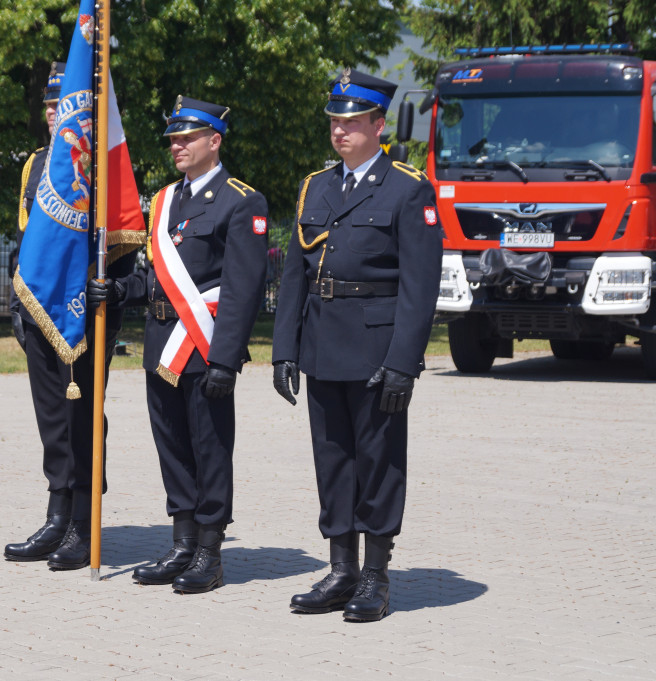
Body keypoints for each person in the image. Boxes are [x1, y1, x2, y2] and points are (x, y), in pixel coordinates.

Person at [270, 69, 443, 622]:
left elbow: (421, 286)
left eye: (350, 122)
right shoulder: (316, 187)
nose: (339, 131)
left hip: (375, 347)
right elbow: (296, 274)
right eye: (334, 122)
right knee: (333, 461)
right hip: (322, 343)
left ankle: (375, 575)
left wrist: (403, 362)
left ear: (377, 124)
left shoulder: (407, 188)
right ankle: (340, 568)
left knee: (378, 461)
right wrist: (284, 349)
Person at [88, 96, 269, 593]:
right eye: (173, 138)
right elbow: (157, 278)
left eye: (187, 137)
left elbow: (243, 288)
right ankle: (182, 543)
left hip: (205, 347)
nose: (177, 145)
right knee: (172, 447)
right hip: (161, 343)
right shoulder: (165, 200)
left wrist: (226, 359)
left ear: (215, 140)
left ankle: (209, 552)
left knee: (209, 449)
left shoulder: (241, 201)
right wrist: (123, 289)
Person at [4, 62, 136, 571]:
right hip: (40, 313)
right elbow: (28, 244)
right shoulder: (37, 163)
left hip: (85, 315)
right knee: (52, 421)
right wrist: (19, 307)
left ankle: (84, 522)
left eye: (68, 102)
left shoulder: (102, 164)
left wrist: (114, 297)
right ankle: (57, 516)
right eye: (52, 103)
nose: (57, 110)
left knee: (82, 418)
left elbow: (123, 248)